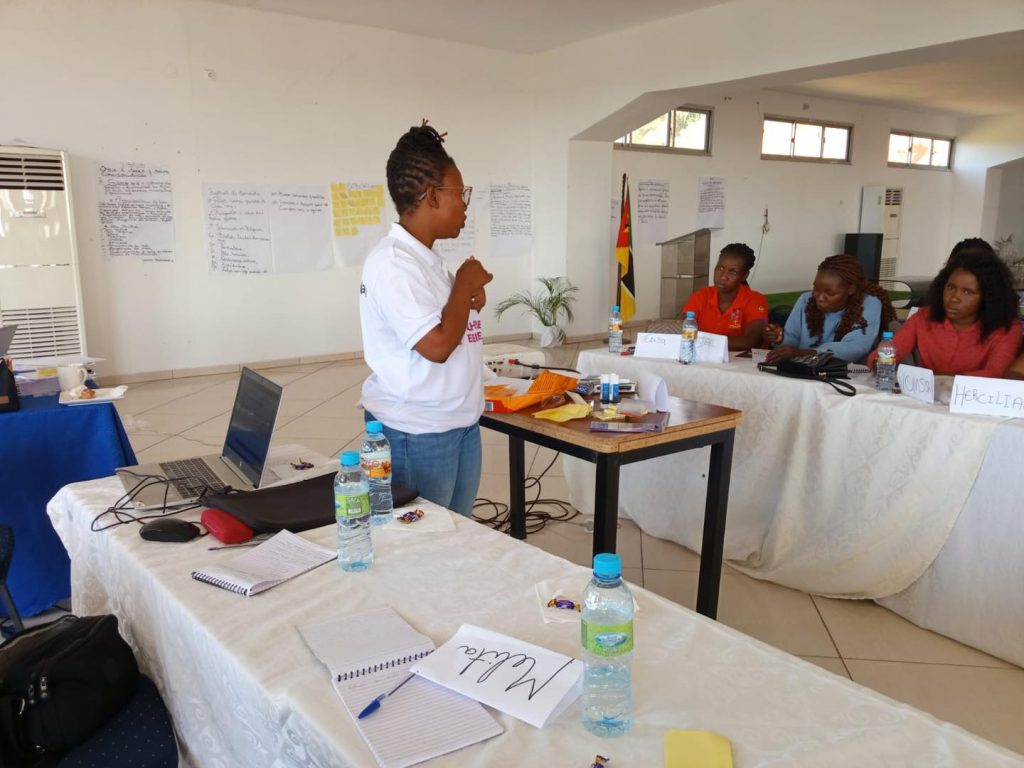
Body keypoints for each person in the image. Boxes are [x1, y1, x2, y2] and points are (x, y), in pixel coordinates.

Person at [358, 121, 492, 517]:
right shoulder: (392, 264)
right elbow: (436, 346)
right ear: (432, 196)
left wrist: (466, 298)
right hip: (417, 433)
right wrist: (464, 283)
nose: (465, 205)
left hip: (457, 423)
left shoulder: (426, 260)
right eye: (460, 193)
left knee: (456, 534)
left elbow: (446, 325)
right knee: (424, 545)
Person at [867, 239, 1021, 377]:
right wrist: (879, 362)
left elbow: (995, 374)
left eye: (967, 292)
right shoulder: (923, 317)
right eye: (950, 287)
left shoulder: (1007, 328)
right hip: (926, 395)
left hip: (975, 398)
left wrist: (938, 377)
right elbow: (883, 354)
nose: (954, 298)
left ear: (988, 297)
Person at [764, 254, 897, 364]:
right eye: (816, 289)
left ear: (851, 289)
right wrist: (780, 339)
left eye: (830, 293)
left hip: (850, 375)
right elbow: (792, 342)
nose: (820, 297)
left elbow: (855, 348)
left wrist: (804, 353)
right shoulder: (806, 300)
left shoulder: (868, 304)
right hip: (804, 370)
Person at [681, 243, 768, 350]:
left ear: (744, 276)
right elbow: (682, 331)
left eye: (733, 272)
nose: (723, 277)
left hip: (741, 360)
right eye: (721, 268)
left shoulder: (755, 300)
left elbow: (750, 341)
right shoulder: (701, 296)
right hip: (703, 356)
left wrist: (703, 341)